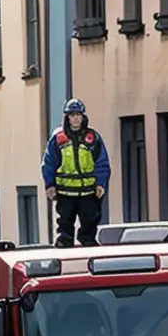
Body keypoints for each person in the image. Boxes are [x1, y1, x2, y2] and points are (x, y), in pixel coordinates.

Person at [41, 98, 111, 247]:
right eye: (72, 115)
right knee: (65, 223)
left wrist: (101, 184)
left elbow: (102, 163)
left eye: (78, 114)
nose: (75, 118)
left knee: (90, 223)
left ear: (83, 117)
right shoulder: (58, 138)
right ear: (67, 117)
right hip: (65, 192)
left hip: (88, 192)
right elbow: (49, 162)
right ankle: (64, 245)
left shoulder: (93, 138)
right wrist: (50, 185)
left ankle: (88, 243)